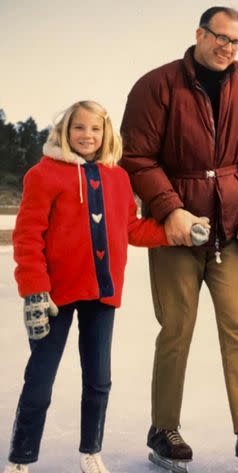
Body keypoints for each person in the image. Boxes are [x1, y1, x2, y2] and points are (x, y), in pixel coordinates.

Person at [119, 6, 238, 472]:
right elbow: (137, 157)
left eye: (236, 42)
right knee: (176, 328)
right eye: (220, 38)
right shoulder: (157, 85)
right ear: (199, 34)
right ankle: (163, 427)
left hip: (229, 230)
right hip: (176, 233)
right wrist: (170, 210)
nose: (228, 48)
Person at [5, 100, 183, 473]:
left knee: (99, 378)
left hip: (101, 294)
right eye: (79, 128)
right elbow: (27, 235)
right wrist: (34, 289)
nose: (87, 136)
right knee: (40, 376)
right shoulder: (44, 174)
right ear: (65, 131)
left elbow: (131, 229)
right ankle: (22, 456)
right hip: (53, 296)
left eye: (95, 129)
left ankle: (91, 450)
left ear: (107, 135)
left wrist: (172, 232)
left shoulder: (117, 178)